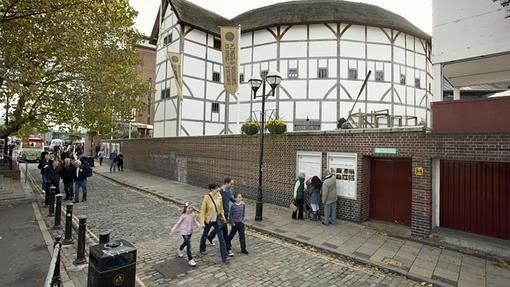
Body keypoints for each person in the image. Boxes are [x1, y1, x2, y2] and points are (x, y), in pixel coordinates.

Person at [199, 183, 229, 264]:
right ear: (212, 189)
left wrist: (223, 217)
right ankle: (202, 248)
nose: (218, 189)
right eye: (216, 188)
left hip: (216, 220)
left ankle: (224, 257)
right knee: (205, 235)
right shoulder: (207, 197)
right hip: (208, 220)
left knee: (221, 238)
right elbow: (203, 211)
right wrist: (202, 222)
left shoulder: (219, 196)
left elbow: (221, 209)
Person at [206, 178, 235, 256]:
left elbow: (231, 199)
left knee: (220, 228)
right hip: (220, 215)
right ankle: (228, 249)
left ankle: (210, 237)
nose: (232, 185)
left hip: (225, 213)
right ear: (226, 183)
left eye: (233, 184)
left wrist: (238, 202)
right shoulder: (220, 191)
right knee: (224, 232)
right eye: (231, 184)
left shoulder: (229, 191)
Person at [170, 201, 201, 267]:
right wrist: (173, 230)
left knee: (185, 243)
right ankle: (190, 259)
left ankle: (180, 249)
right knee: (188, 245)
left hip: (190, 231)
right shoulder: (183, 216)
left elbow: (195, 221)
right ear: (185, 208)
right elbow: (178, 223)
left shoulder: (193, 214)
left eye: (191, 208)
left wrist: (199, 225)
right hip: (184, 232)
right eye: (189, 208)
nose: (190, 209)